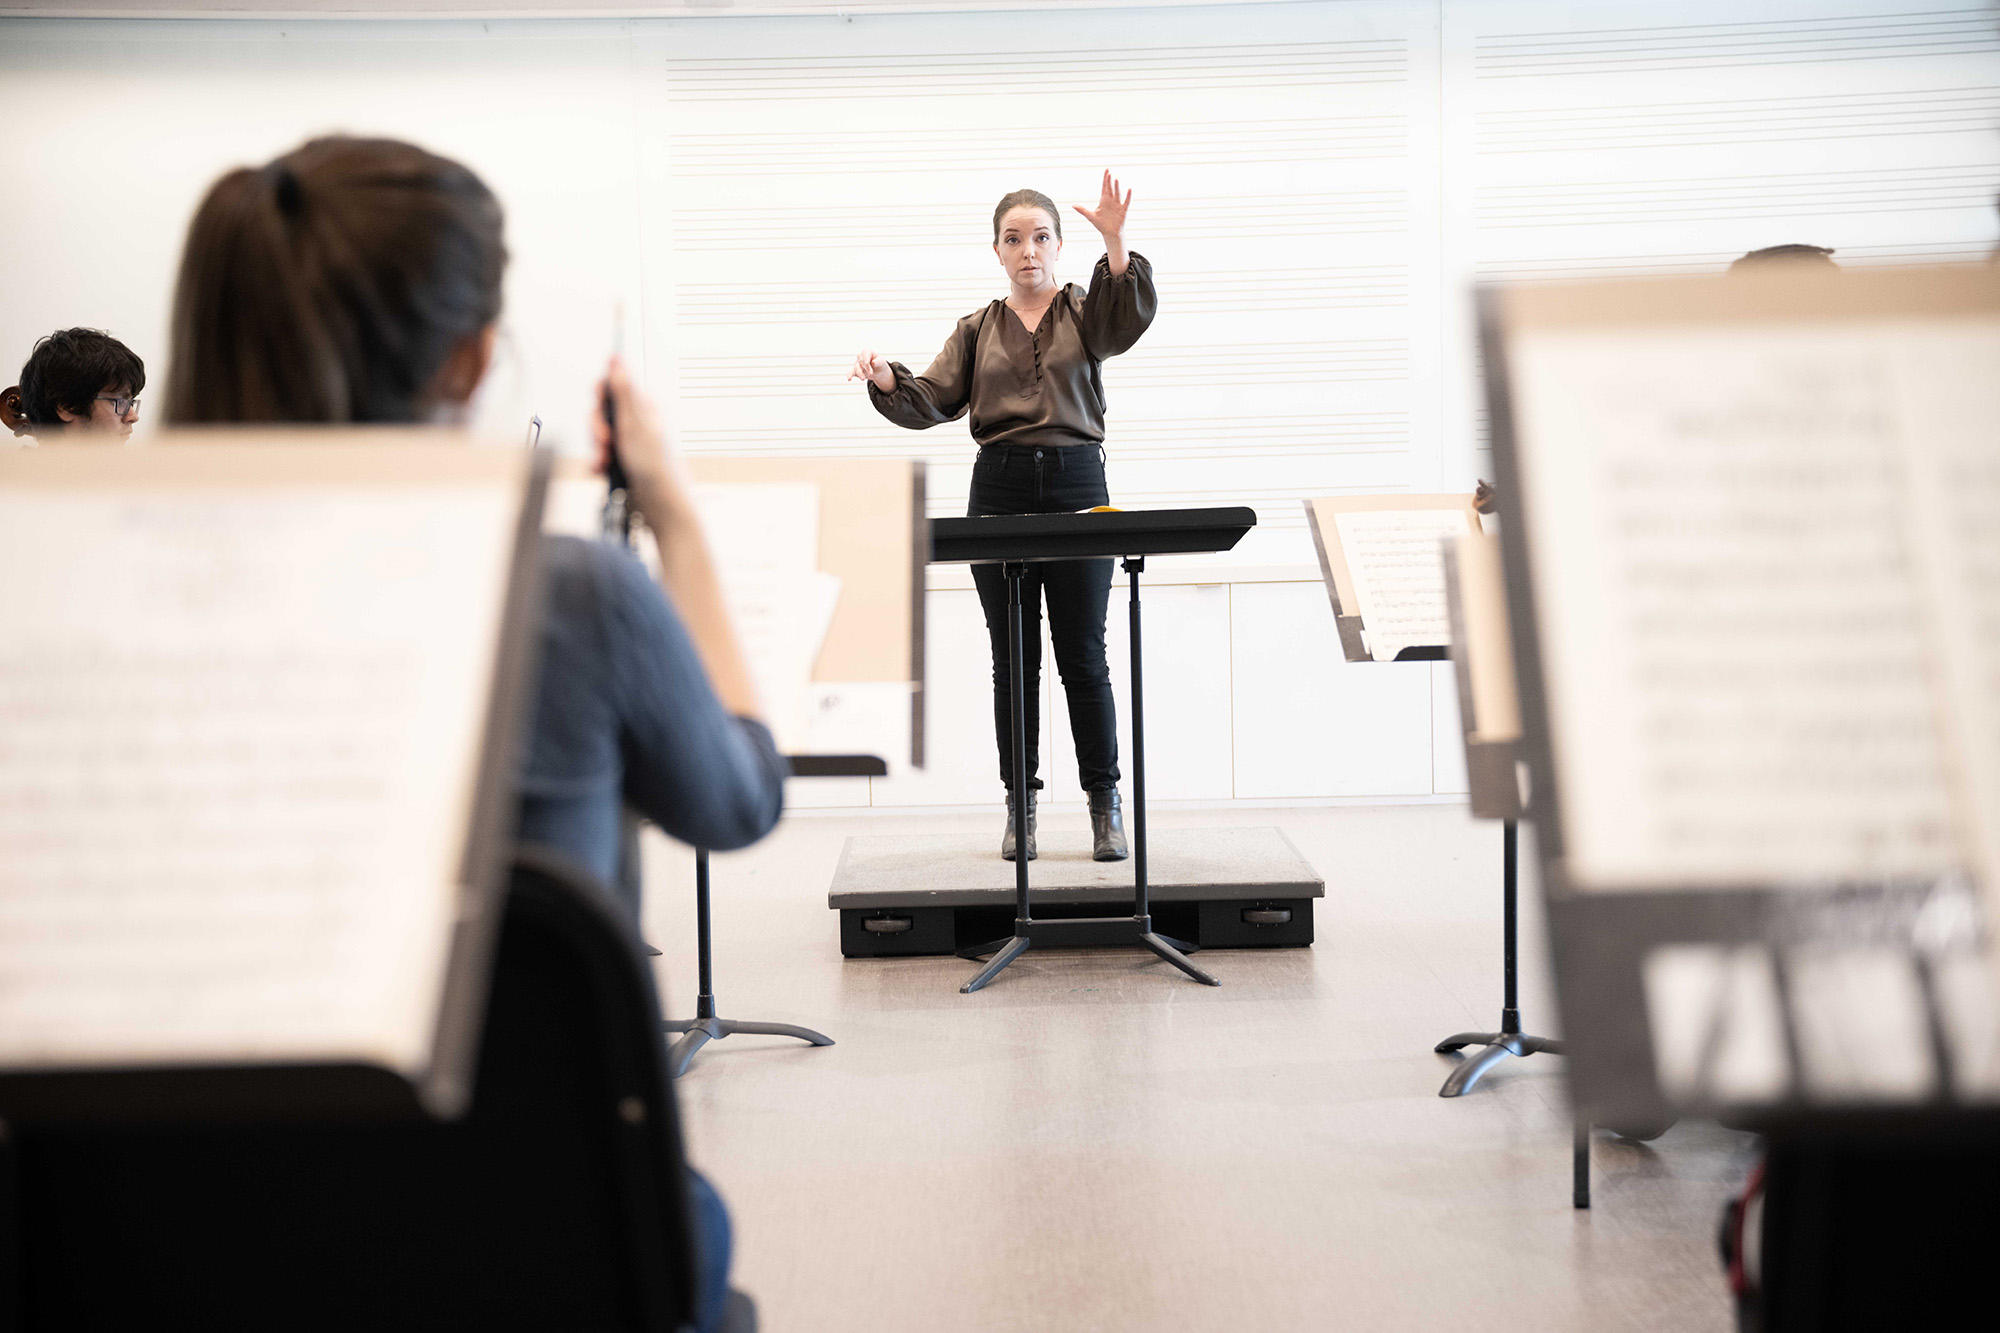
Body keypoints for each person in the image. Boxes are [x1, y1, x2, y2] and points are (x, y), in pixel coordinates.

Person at [163, 134, 778, 1333]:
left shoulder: (65, 613)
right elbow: (736, 801)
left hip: (174, 1254)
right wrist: (680, 527)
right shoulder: (571, 598)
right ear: (468, 357)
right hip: (546, 1250)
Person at [852, 171, 1155, 863]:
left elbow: (1124, 318)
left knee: (1084, 657)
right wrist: (885, 379)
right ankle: (1021, 809)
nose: (1029, 250)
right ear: (996, 250)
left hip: (1080, 483)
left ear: (1057, 245)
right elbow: (931, 397)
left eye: (1041, 237)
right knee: (1012, 661)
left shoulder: (1085, 311)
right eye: (1014, 238)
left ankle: (1105, 807)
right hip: (1000, 490)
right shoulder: (977, 327)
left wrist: (1114, 242)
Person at [1, 327, 145, 442]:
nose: (133, 416)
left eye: (130, 403)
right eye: (120, 402)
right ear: (67, 406)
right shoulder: (22, 477)